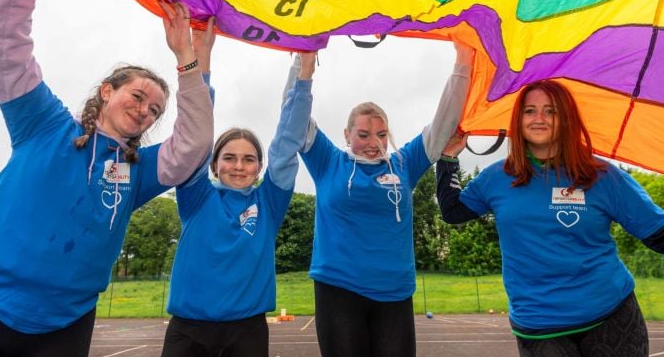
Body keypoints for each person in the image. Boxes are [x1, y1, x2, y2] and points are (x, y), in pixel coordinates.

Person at [0, 0, 214, 355]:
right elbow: (3, 49)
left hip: (65, 326)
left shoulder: (140, 171)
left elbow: (194, 144)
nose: (145, 111)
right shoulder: (43, 123)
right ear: (107, 91)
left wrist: (186, 57)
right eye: (137, 96)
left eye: (154, 110)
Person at [436, 79, 664, 356]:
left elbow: (657, 233)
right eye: (530, 111)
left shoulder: (603, 175)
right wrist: (447, 158)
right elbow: (453, 212)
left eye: (551, 111)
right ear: (518, 119)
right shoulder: (496, 177)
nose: (539, 119)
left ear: (566, 119)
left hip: (610, 313)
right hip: (539, 324)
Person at [294, 44, 472, 356]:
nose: (373, 143)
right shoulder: (328, 161)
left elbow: (444, 121)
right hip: (338, 290)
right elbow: (295, 117)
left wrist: (464, 59)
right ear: (347, 134)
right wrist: (303, 62)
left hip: (395, 293)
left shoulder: (405, 163)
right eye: (363, 134)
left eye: (381, 134)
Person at [160, 52, 316, 357]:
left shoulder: (268, 203)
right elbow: (196, 133)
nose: (239, 166)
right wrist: (200, 59)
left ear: (259, 168)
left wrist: (305, 74)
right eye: (229, 158)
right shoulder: (196, 196)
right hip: (188, 331)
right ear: (214, 164)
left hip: (247, 332)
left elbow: (286, 144)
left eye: (249, 159)